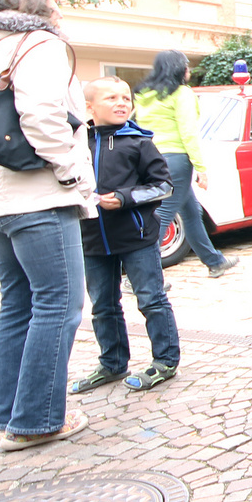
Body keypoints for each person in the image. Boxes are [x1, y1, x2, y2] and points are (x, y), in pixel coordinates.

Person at [0, 0, 95, 451]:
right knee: (58, 304)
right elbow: (42, 115)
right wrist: (72, 175)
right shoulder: (39, 44)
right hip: (35, 196)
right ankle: (35, 420)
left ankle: (9, 413)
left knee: (18, 304)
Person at [70, 77, 180, 394]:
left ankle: (165, 360)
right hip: (91, 238)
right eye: (111, 98)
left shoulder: (139, 142)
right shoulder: (77, 143)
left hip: (136, 237)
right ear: (89, 107)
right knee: (103, 305)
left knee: (150, 299)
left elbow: (164, 186)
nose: (121, 103)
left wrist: (124, 198)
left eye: (126, 97)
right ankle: (112, 363)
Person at [134, 51, 239, 277]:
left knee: (191, 211)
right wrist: (200, 167)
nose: (189, 70)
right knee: (163, 216)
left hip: (152, 158)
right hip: (176, 159)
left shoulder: (145, 95)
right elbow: (188, 132)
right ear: (179, 70)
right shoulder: (181, 94)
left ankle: (214, 261)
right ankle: (142, 276)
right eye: (186, 66)